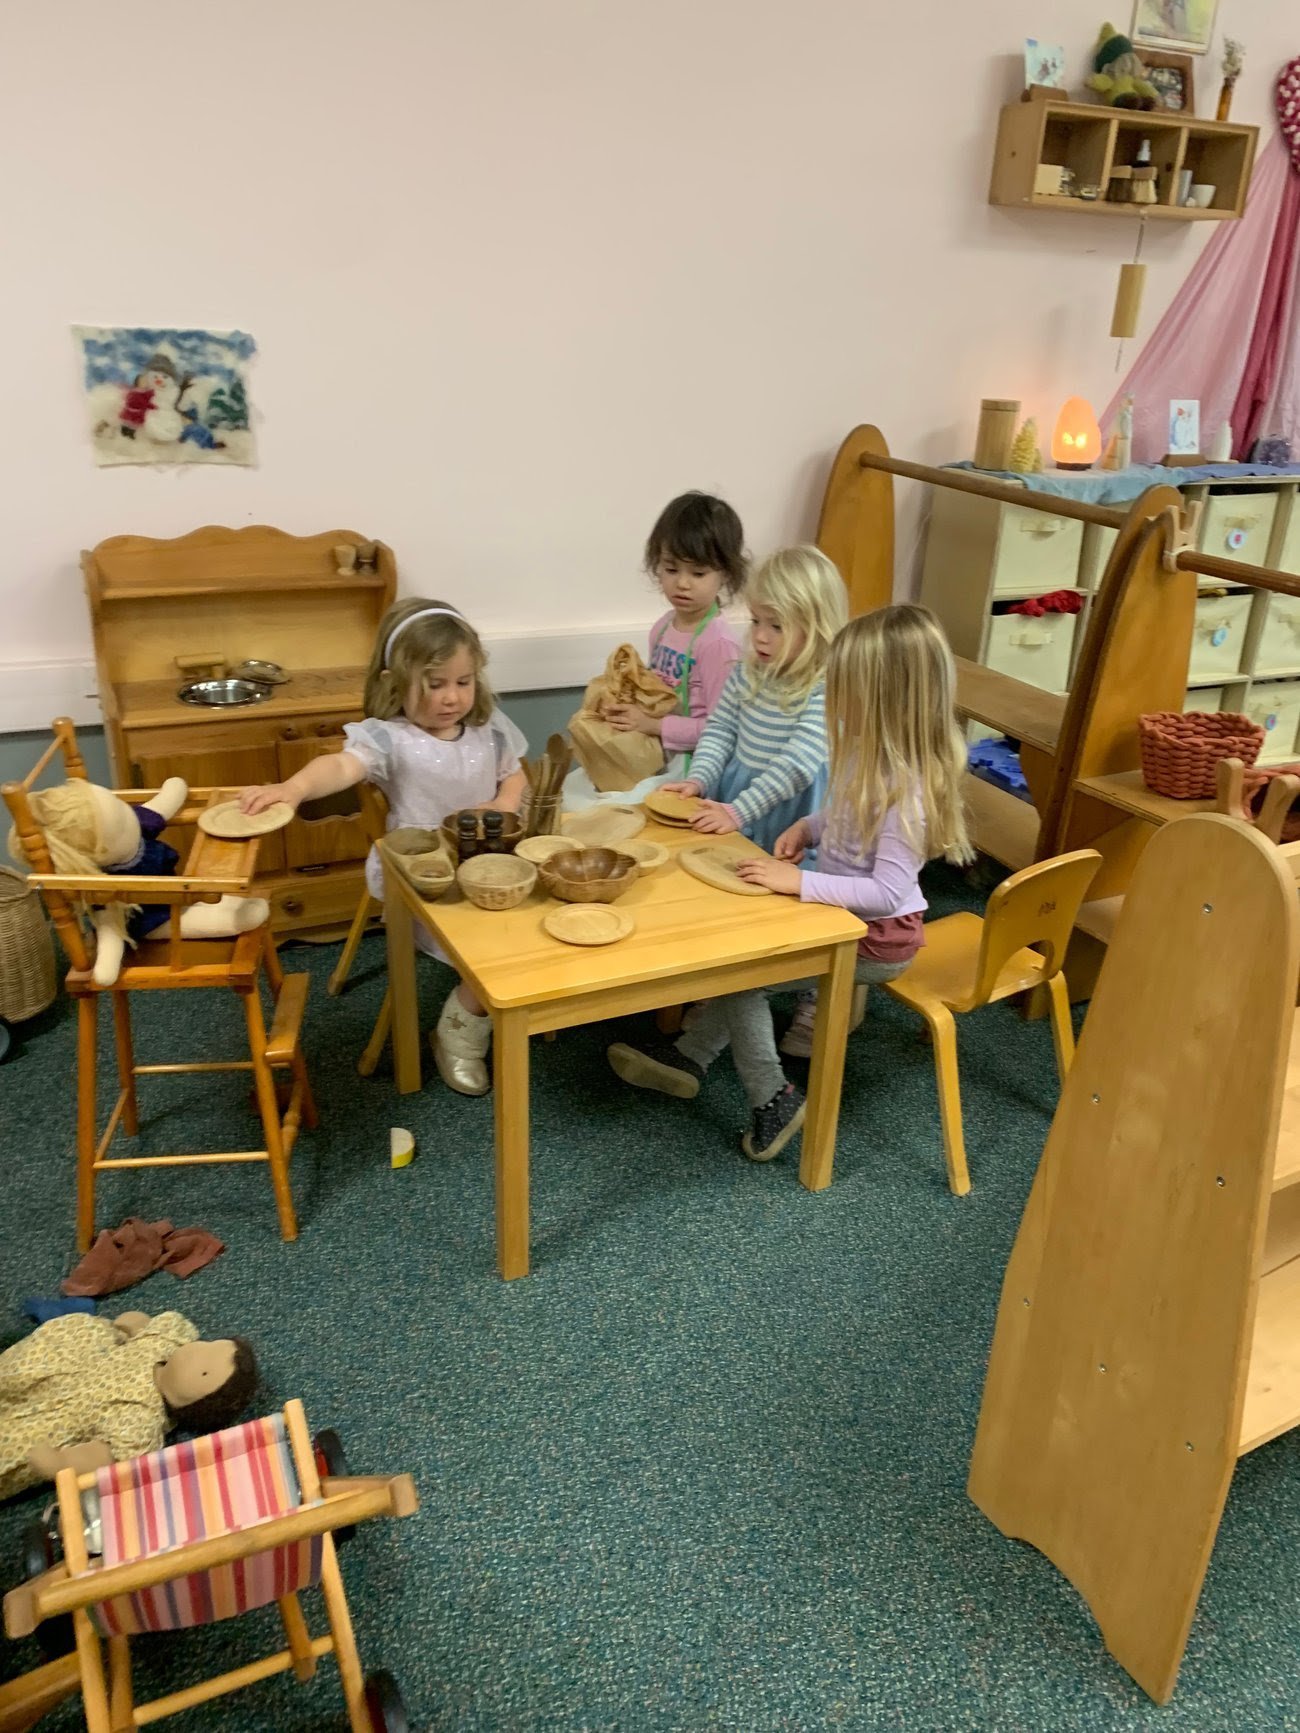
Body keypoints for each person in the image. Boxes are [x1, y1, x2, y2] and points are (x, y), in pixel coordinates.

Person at [607, 605, 972, 1161]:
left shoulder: (907, 792)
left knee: (743, 975)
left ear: (883, 697)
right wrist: (809, 826)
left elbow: (887, 894)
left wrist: (796, 883)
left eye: (845, 686)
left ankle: (772, 1097)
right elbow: (845, 814)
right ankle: (688, 1056)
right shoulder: (864, 748)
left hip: (878, 935)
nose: (834, 696)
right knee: (743, 954)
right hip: (845, 911)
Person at [240, 598, 527, 1096]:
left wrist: (505, 799)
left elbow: (516, 774)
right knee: (497, 943)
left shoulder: (488, 729)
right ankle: (459, 1031)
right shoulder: (388, 739)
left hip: (490, 860)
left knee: (538, 919)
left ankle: (522, 996)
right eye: (435, 684)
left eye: (463, 682)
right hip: (424, 879)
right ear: (396, 681)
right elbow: (341, 767)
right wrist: (294, 788)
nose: (452, 697)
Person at [662, 544, 846, 853]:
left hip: (791, 813)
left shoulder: (827, 689)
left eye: (776, 625)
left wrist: (740, 811)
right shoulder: (747, 673)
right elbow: (720, 731)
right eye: (755, 621)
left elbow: (796, 766)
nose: (760, 635)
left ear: (818, 628)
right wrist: (699, 780)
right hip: (739, 804)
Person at [605, 491, 746, 772]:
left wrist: (654, 724)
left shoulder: (718, 645)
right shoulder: (662, 628)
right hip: (658, 754)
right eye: (671, 569)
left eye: (698, 574)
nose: (682, 583)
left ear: (726, 574)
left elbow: (723, 730)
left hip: (697, 769)